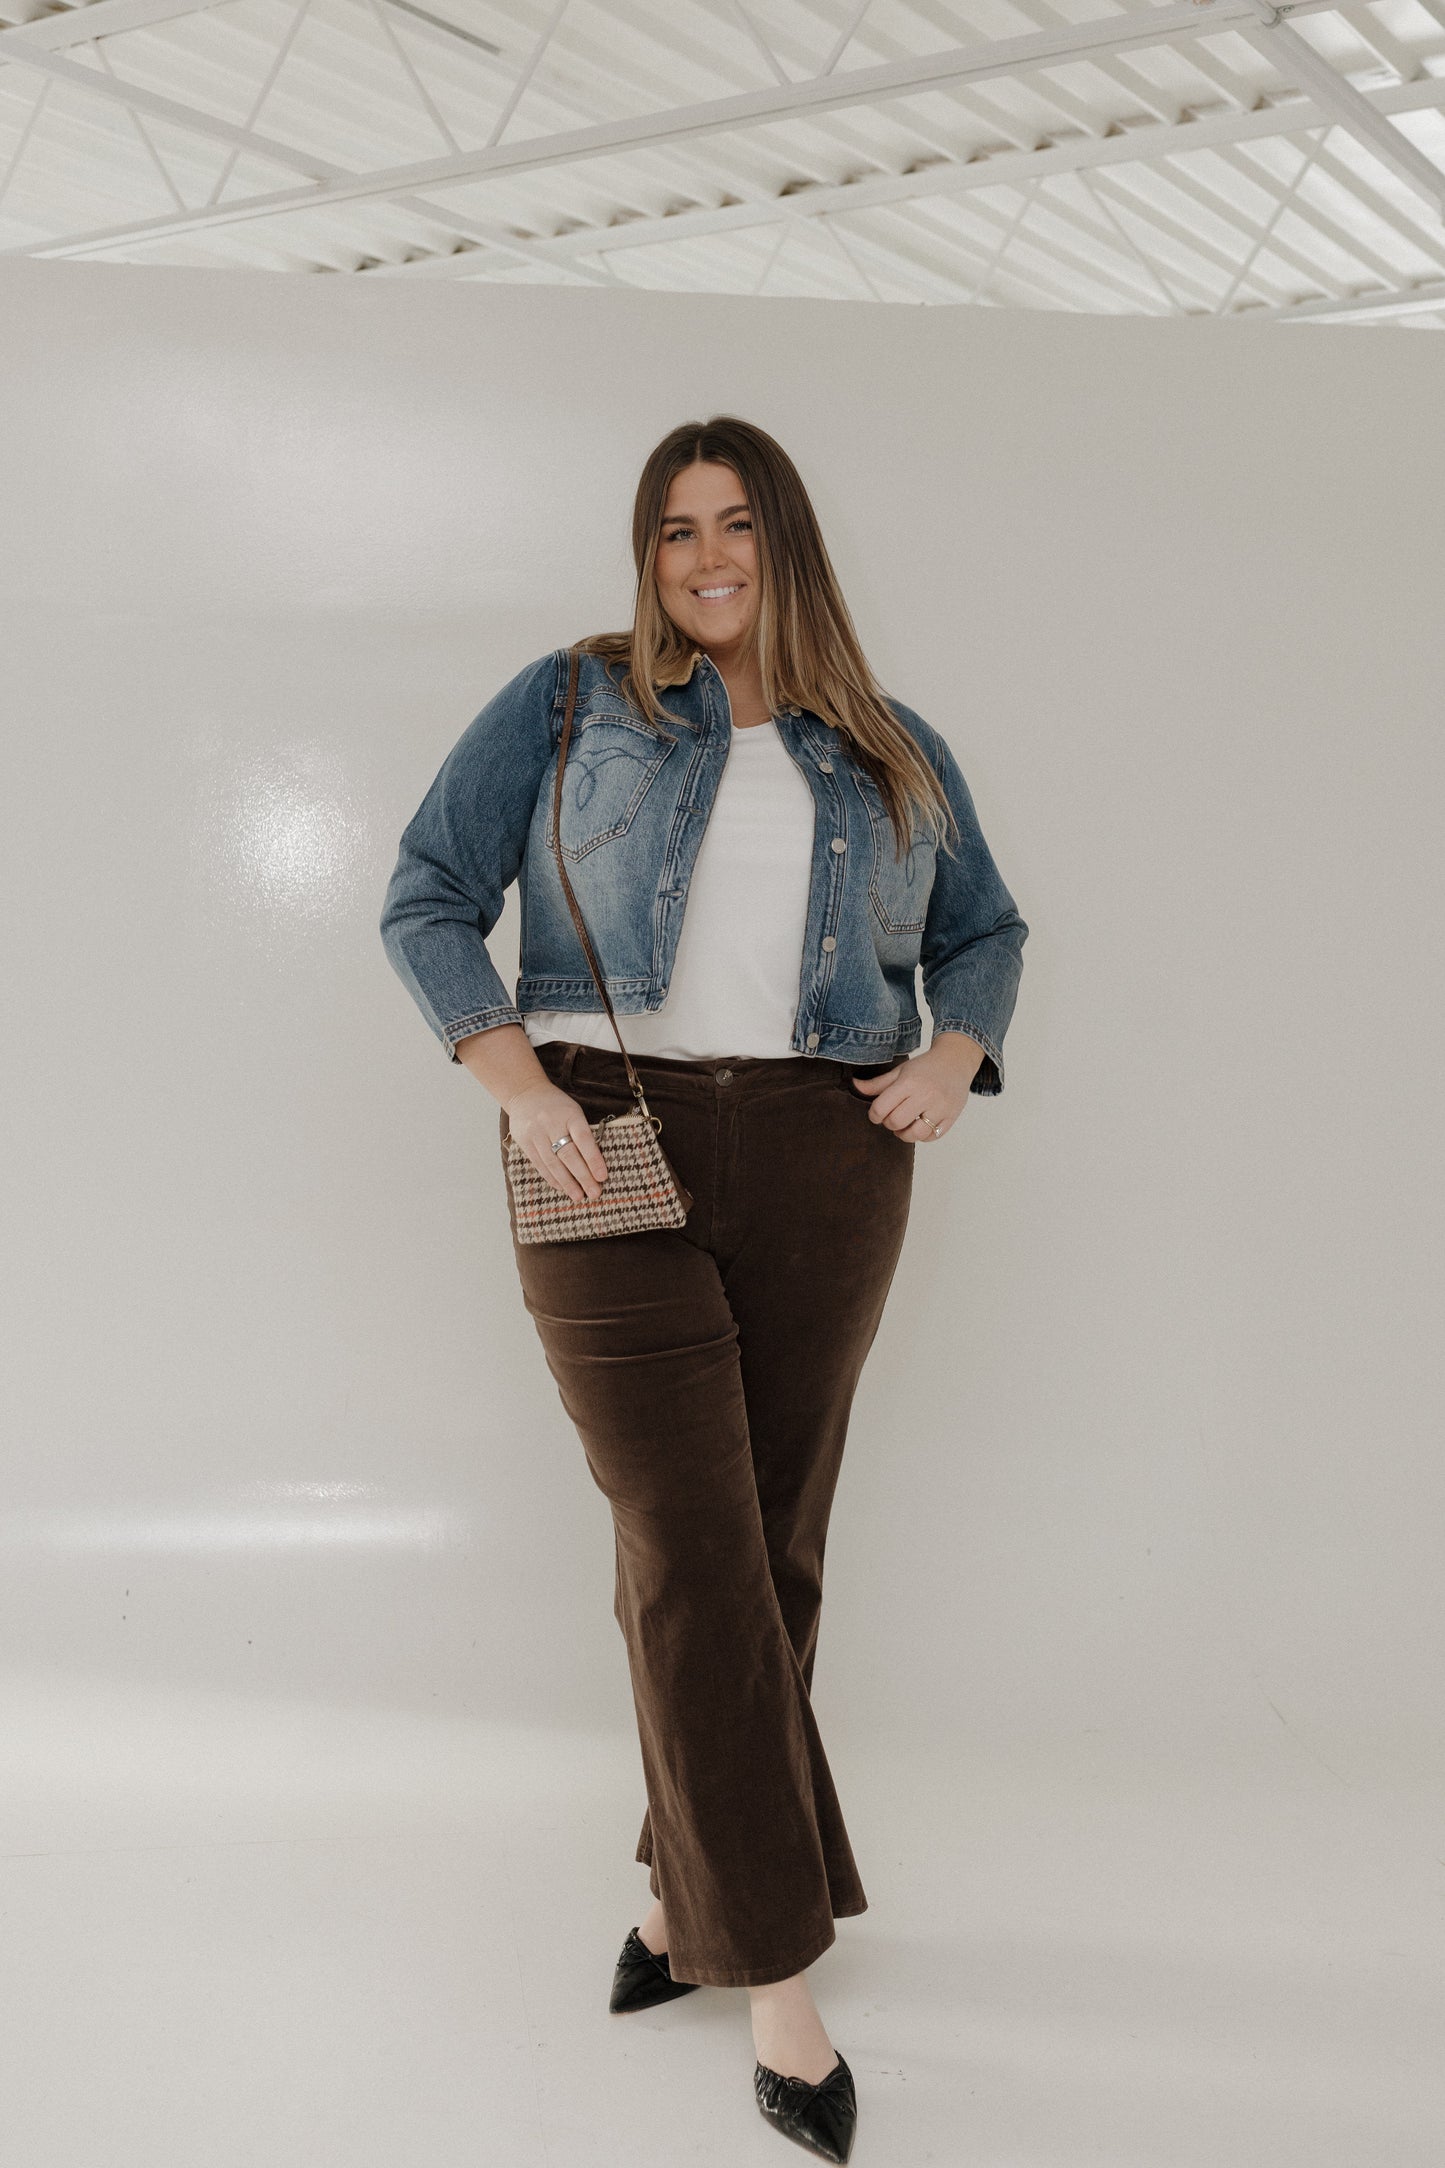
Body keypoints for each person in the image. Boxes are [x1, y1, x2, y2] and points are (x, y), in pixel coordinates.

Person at [379, 414, 1028, 2163]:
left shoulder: (886, 742)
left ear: (783, 542)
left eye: (734, 524)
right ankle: (778, 1980)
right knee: (689, 1546)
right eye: (674, 529)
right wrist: (516, 1083)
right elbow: (426, 894)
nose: (705, 557)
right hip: (595, 1132)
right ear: (645, 554)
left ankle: (681, 1900)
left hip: (826, 1150)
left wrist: (952, 1053)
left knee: (769, 1545)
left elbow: (984, 929)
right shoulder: (569, 701)